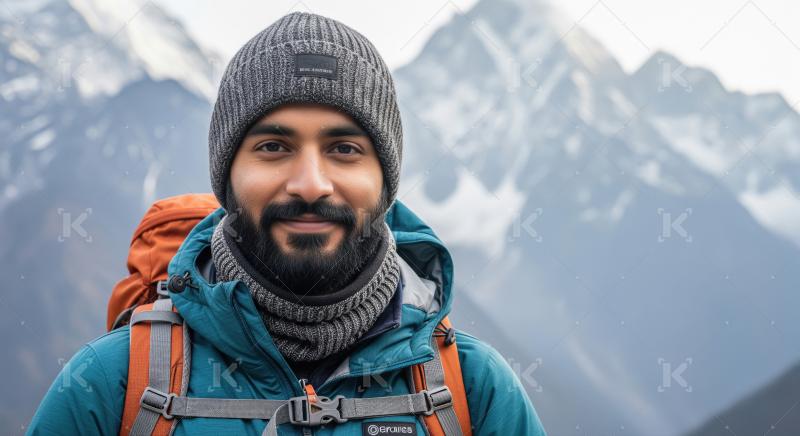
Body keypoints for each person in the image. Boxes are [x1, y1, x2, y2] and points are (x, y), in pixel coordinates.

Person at [27, 11, 546, 435]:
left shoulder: (475, 392)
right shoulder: (110, 385)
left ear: (386, 183)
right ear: (226, 178)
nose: (310, 184)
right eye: (274, 147)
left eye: (344, 149)